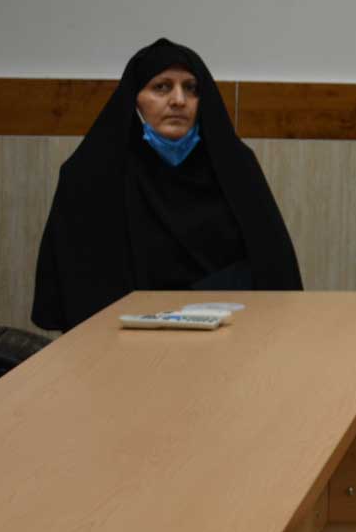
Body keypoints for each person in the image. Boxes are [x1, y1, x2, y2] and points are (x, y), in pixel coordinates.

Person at [31, 37, 301, 332]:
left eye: (191, 88)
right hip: (120, 340)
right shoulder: (91, 174)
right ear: (135, 99)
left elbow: (274, 274)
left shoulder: (236, 168)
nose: (179, 100)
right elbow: (81, 288)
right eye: (161, 87)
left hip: (229, 336)